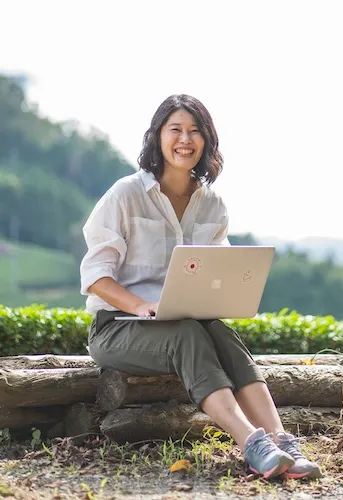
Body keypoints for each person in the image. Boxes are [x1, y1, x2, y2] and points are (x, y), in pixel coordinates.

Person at [80, 94, 321, 480]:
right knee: (189, 334)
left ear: (206, 141)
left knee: (219, 333)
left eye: (195, 131)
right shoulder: (125, 195)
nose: (185, 139)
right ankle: (252, 444)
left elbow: (217, 270)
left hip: (183, 322)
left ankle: (281, 441)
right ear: (158, 137)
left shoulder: (213, 205)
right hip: (118, 327)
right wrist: (142, 305)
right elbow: (95, 276)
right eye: (175, 129)